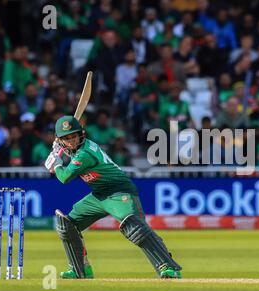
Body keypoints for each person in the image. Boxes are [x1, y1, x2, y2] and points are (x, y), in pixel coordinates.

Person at [44, 115, 182, 279]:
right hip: (99, 195)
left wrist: (57, 163)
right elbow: (70, 155)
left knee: (135, 227)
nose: (71, 141)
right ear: (61, 141)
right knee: (68, 226)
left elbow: (64, 177)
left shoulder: (85, 153)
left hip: (119, 191)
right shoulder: (76, 151)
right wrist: (59, 153)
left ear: (81, 134)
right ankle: (80, 269)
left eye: (73, 136)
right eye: (66, 138)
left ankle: (168, 267)